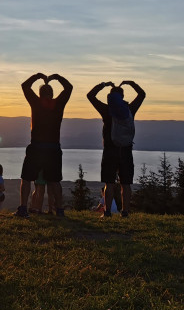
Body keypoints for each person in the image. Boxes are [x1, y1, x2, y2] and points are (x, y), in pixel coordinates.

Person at [16, 73, 73, 218]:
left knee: (27, 178)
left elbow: (25, 86)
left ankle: (23, 209)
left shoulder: (36, 103)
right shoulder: (58, 104)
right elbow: (69, 87)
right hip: (53, 148)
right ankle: (59, 210)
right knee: (55, 181)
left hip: (36, 147)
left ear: (40, 94)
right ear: (52, 94)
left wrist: (37, 76)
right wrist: (57, 77)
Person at [86, 80, 146, 218]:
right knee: (126, 184)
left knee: (109, 183)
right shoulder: (130, 110)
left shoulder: (106, 110)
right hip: (126, 150)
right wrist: (131, 83)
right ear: (123, 97)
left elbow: (90, 96)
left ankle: (107, 212)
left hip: (109, 151)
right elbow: (142, 94)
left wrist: (103, 85)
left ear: (110, 97)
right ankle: (125, 212)